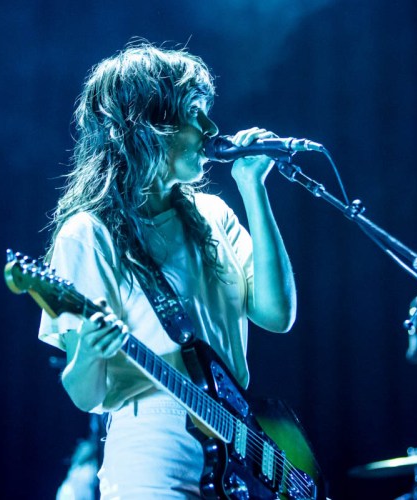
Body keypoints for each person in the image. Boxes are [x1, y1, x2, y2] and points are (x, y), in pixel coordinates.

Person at [37, 39, 298, 499]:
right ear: (149, 126)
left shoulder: (214, 214)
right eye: (195, 113)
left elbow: (277, 315)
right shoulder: (88, 234)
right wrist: (90, 353)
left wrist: (253, 187)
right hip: (153, 453)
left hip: (237, 445)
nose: (211, 128)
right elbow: (86, 395)